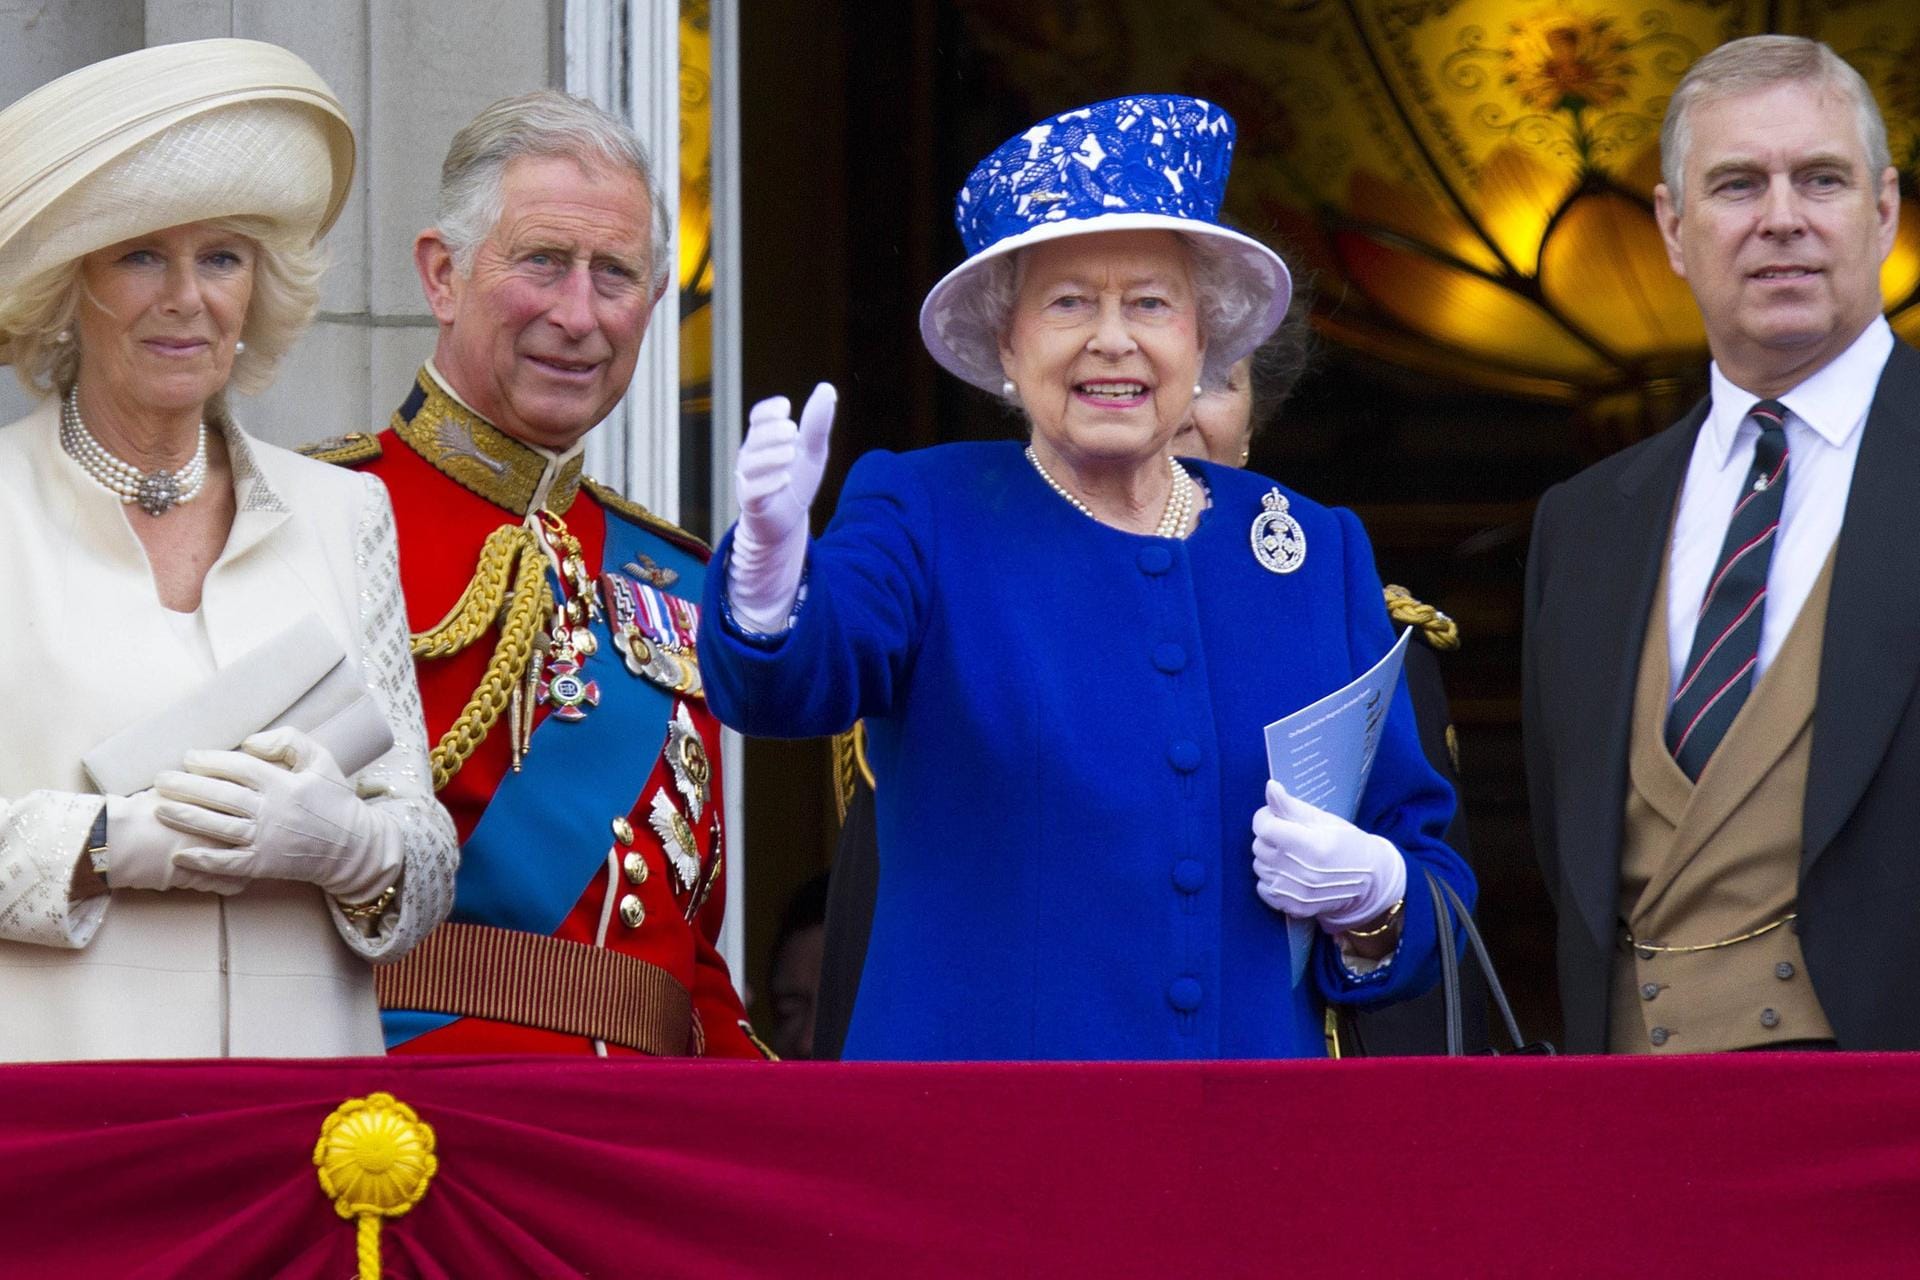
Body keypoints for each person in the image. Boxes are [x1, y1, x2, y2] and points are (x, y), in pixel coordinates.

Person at [701, 94, 1474, 1060]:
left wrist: (1376, 898)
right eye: (1069, 303)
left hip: (1241, 1155)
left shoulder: (1312, 553)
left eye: (1150, 302)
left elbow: (1427, 884)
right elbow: (796, 681)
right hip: (985, 1154)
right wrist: (771, 577)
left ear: (1203, 341)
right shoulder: (925, 511)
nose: (1114, 339)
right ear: (1005, 344)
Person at [0, 40, 458, 1060]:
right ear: (72, 285)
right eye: (139, 255)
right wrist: (114, 843)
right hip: (61, 1124)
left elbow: (424, 858)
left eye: (221, 258)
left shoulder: (346, 515)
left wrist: (347, 842)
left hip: (309, 1134)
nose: (185, 297)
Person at [325, 91, 766, 1058]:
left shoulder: (680, 580)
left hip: (648, 1130)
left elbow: (690, 960)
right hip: (416, 1127)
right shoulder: (317, 520)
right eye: (543, 263)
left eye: (614, 275)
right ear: (443, 276)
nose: (579, 314)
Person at [1524, 35, 1919, 1053]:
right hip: (1633, 1130)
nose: (1780, 217)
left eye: (1819, 179)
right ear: (1671, 225)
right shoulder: (1582, 520)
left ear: (1882, 211)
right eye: (1738, 183)